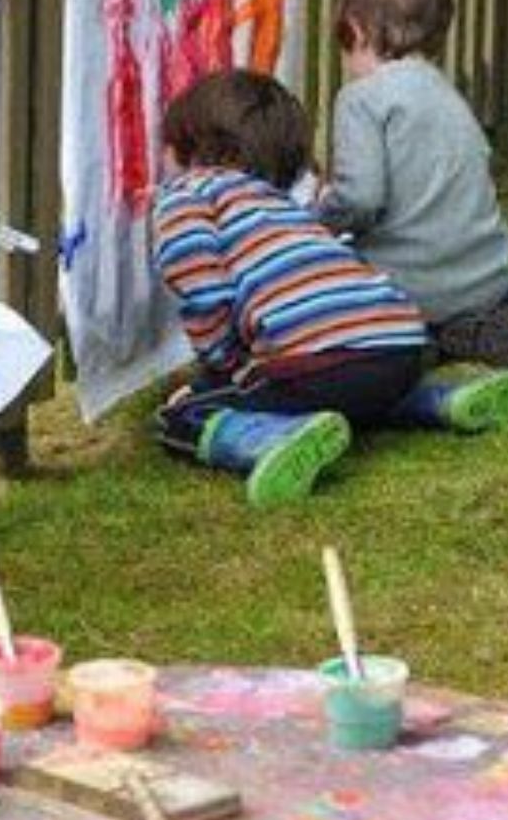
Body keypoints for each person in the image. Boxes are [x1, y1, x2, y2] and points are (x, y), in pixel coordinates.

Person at [151, 69, 434, 506]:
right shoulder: (281, 204)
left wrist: (221, 365)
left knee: (182, 412)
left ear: (189, 144)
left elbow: (201, 289)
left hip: (320, 363)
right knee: (354, 383)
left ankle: (271, 438)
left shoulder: (186, 194)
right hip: (401, 346)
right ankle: (433, 402)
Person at [322, 0, 508, 374]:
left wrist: (319, 215)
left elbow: (361, 200)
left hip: (408, 291)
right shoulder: (445, 93)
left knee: (322, 298)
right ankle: (489, 323)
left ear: (357, 31)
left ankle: (428, 341)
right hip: (488, 277)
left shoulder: (361, 100)